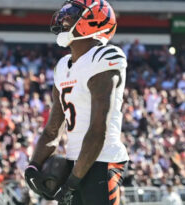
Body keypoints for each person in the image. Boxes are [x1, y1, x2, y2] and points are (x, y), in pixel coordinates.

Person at [24, 0, 129, 204]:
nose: (65, 17)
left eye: (72, 13)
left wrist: (73, 182)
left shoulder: (105, 56)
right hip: (75, 163)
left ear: (94, 20)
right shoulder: (63, 66)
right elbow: (52, 130)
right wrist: (33, 166)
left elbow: (99, 129)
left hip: (103, 161)